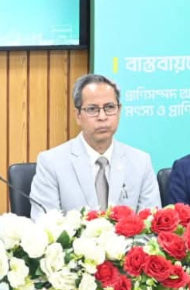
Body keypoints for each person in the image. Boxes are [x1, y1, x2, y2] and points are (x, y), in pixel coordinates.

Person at [30, 74, 159, 219]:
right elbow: (45, 224)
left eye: (110, 107)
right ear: (78, 115)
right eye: (92, 109)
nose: (102, 117)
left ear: (119, 111)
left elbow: (151, 224)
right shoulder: (51, 162)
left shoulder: (141, 162)